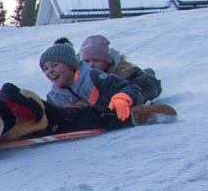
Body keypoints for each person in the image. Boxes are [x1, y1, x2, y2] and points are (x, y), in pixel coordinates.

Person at [36, 38, 175, 133]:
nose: (50, 71)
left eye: (54, 65)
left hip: (126, 92)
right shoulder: (54, 96)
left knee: (145, 86)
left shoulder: (92, 77)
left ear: (71, 65)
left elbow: (129, 88)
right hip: (101, 108)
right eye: (46, 68)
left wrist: (122, 98)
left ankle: (142, 106)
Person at [78, 35, 162, 104]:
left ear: (107, 63)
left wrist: (127, 97)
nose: (91, 64)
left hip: (147, 81)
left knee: (147, 76)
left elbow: (146, 88)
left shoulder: (128, 74)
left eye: (97, 61)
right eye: (87, 61)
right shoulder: (78, 75)